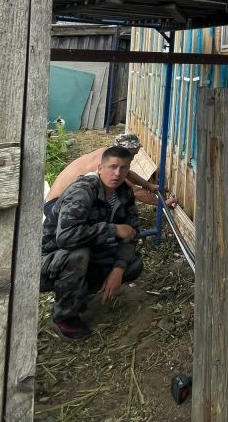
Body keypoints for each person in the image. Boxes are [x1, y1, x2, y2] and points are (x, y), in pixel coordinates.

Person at [40, 146, 142, 340]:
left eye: (123, 168)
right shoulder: (82, 191)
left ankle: (79, 294)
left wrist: (118, 269)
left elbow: (132, 234)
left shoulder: (124, 193)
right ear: (100, 168)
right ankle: (64, 316)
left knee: (133, 264)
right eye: (112, 167)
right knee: (79, 255)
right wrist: (113, 229)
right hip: (50, 260)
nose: (117, 173)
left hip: (88, 251)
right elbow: (65, 237)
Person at [45, 133, 177, 220]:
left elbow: (128, 173)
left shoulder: (108, 154)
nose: (132, 158)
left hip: (63, 201)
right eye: (132, 155)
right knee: (120, 194)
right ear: (124, 151)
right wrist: (162, 203)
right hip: (56, 207)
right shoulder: (106, 164)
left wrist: (149, 185)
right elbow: (134, 191)